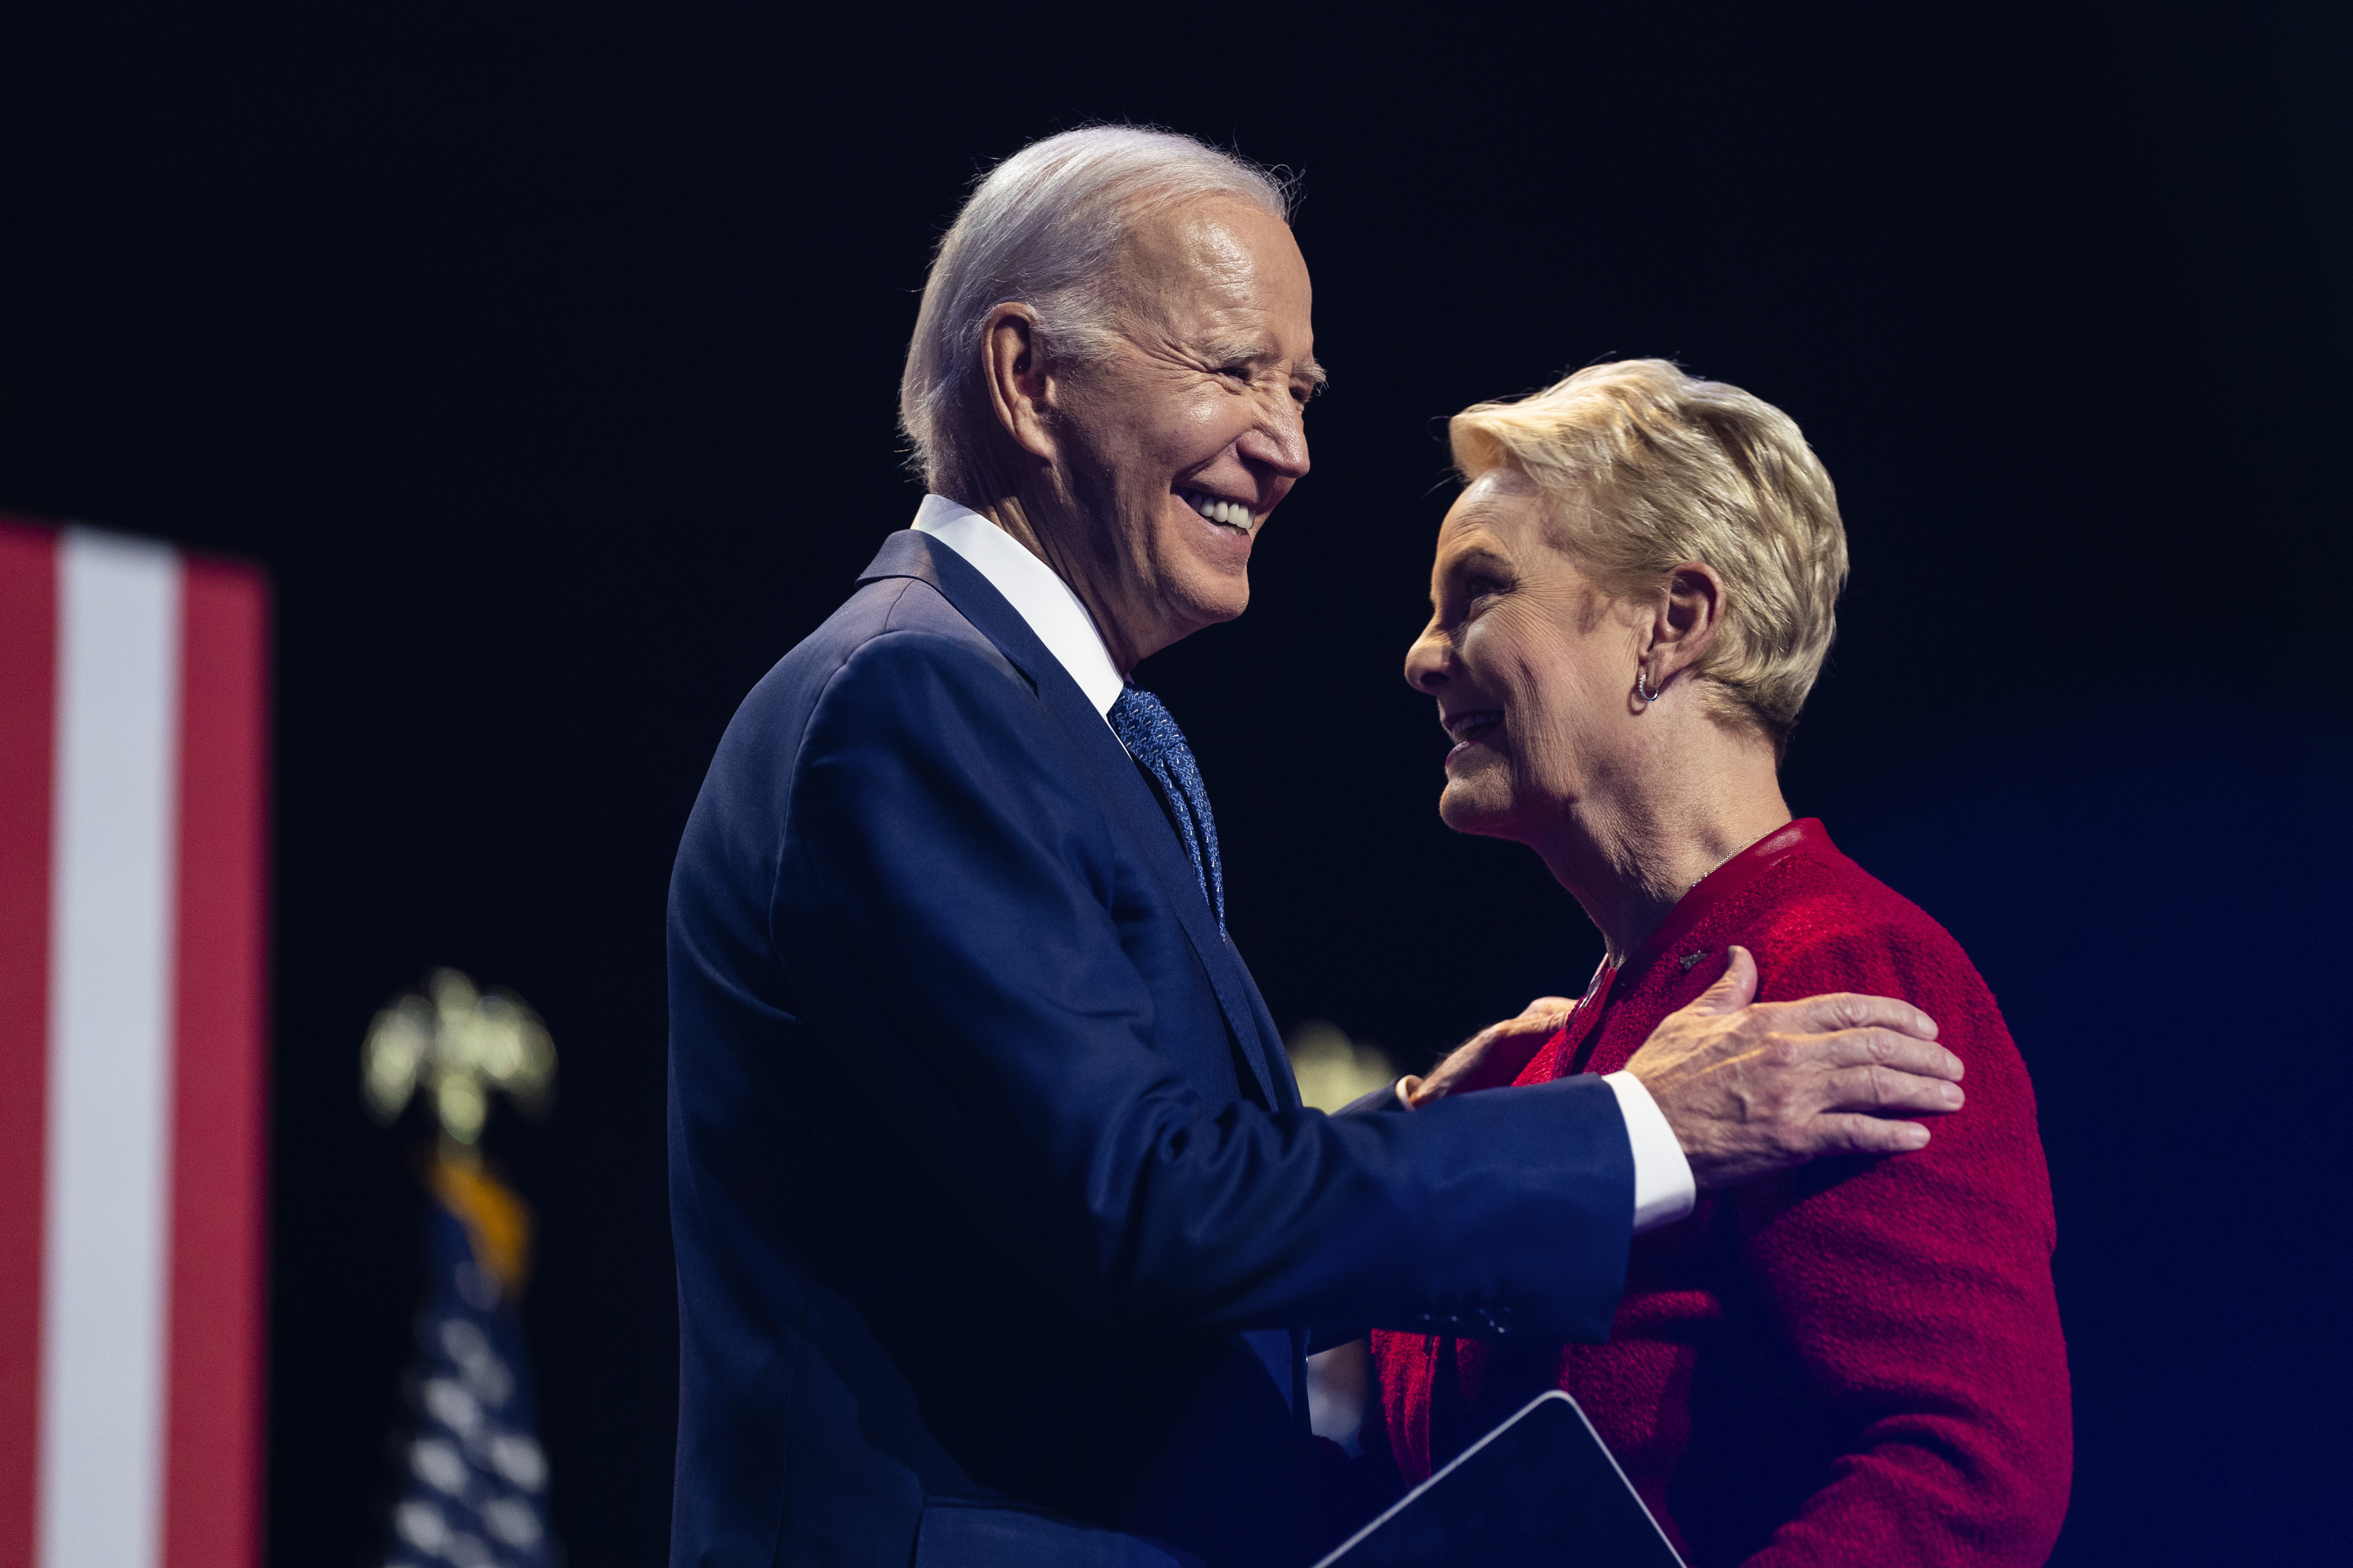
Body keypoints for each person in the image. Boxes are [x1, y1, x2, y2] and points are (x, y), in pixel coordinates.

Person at [665, 130, 1966, 1568]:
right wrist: (1638, 1131)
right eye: (1233, 370)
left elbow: (1956, 1460)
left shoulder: (1017, 717)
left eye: (1297, 390)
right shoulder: (918, 698)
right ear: (1029, 379)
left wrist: (1422, 1144)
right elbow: (1148, 1210)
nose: (1286, 448)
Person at [1370, 361, 2072, 1565]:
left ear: (1675, 620)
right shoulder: (1550, 1066)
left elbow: (1967, 1476)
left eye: (1477, 593)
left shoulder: (1845, 970)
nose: (1422, 658)